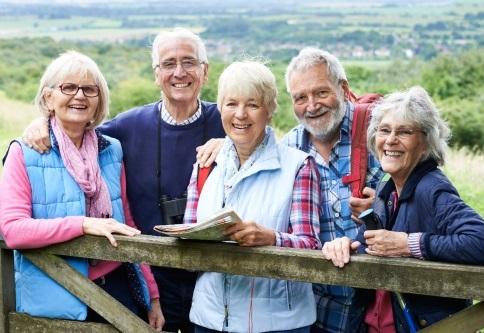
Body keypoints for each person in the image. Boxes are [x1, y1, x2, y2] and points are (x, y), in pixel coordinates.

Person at [22, 28, 226, 332]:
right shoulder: (128, 126)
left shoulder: (230, 121)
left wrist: (233, 145)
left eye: (189, 62)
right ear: (156, 74)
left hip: (217, 278)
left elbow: (268, 149)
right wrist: (43, 123)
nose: (179, 72)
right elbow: (76, 133)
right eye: (169, 64)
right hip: (153, 278)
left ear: (205, 71)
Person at [196, 47, 384, 333]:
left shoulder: (377, 137)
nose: (311, 105)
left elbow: (414, 194)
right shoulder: (292, 145)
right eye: (300, 98)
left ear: (343, 89)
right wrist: (228, 146)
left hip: (367, 296)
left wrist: (381, 206)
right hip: (312, 301)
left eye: (321, 93)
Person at [0, 51, 164, 330]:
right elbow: (13, 230)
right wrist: (84, 224)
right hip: (53, 296)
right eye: (68, 87)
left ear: (99, 99)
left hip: (118, 288)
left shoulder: (111, 150)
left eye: (90, 89)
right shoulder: (24, 152)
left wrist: (153, 296)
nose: (80, 96)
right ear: (49, 97)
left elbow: (126, 222)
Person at [322, 86, 484, 332]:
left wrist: (408, 244)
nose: (391, 140)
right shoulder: (388, 190)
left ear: (425, 143)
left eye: (404, 131)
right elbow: (376, 245)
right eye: (384, 130)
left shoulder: (432, 188)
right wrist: (344, 245)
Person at [183, 61, 321, 333]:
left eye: (253, 105)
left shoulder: (298, 167)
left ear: (270, 110)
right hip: (209, 320)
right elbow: (189, 233)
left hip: (279, 325)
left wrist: (271, 239)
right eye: (231, 103)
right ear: (220, 108)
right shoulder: (205, 165)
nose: (241, 115)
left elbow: (312, 246)